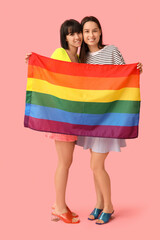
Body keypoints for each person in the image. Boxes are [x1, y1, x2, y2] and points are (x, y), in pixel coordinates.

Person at [76, 16, 143, 225]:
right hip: (90, 118)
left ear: (100, 31)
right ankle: (98, 203)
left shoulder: (111, 50)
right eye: (86, 31)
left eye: (94, 30)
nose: (91, 35)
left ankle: (109, 206)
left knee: (97, 165)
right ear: (82, 35)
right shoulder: (82, 58)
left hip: (108, 118)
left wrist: (136, 68)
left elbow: (124, 75)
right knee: (93, 165)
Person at [25, 19, 82, 224]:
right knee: (64, 162)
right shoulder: (60, 53)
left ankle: (61, 204)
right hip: (61, 117)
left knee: (67, 162)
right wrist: (32, 60)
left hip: (72, 117)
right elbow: (49, 73)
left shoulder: (79, 58)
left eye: (77, 33)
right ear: (64, 37)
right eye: (70, 34)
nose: (76, 37)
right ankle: (59, 207)